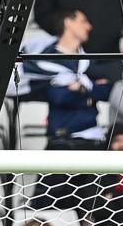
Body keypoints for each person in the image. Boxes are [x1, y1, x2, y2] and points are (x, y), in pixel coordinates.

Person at [22, 8, 113, 149]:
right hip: (61, 141)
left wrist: (80, 88)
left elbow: (108, 90)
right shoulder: (44, 60)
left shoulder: (90, 59)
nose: (89, 26)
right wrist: (89, 92)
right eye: (83, 21)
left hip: (93, 139)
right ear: (68, 23)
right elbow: (58, 96)